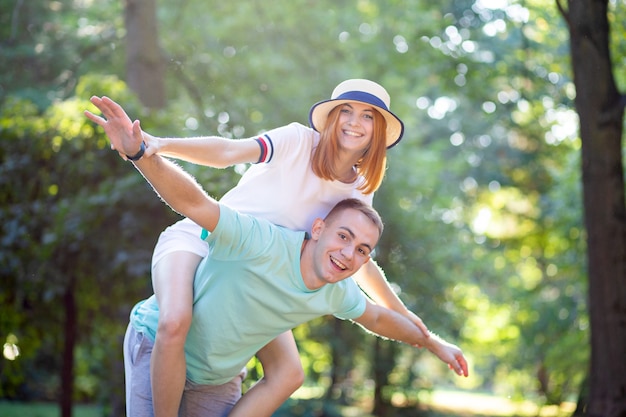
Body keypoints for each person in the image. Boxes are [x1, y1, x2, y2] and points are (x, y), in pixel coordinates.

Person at [86, 79, 431, 417]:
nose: (355, 122)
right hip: (205, 238)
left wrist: (406, 317)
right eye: (347, 111)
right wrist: (153, 145)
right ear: (333, 117)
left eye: (368, 116)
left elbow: (360, 261)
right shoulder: (298, 141)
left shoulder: (358, 191)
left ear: (378, 131)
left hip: (254, 272)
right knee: (175, 320)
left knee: (289, 373)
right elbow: (228, 152)